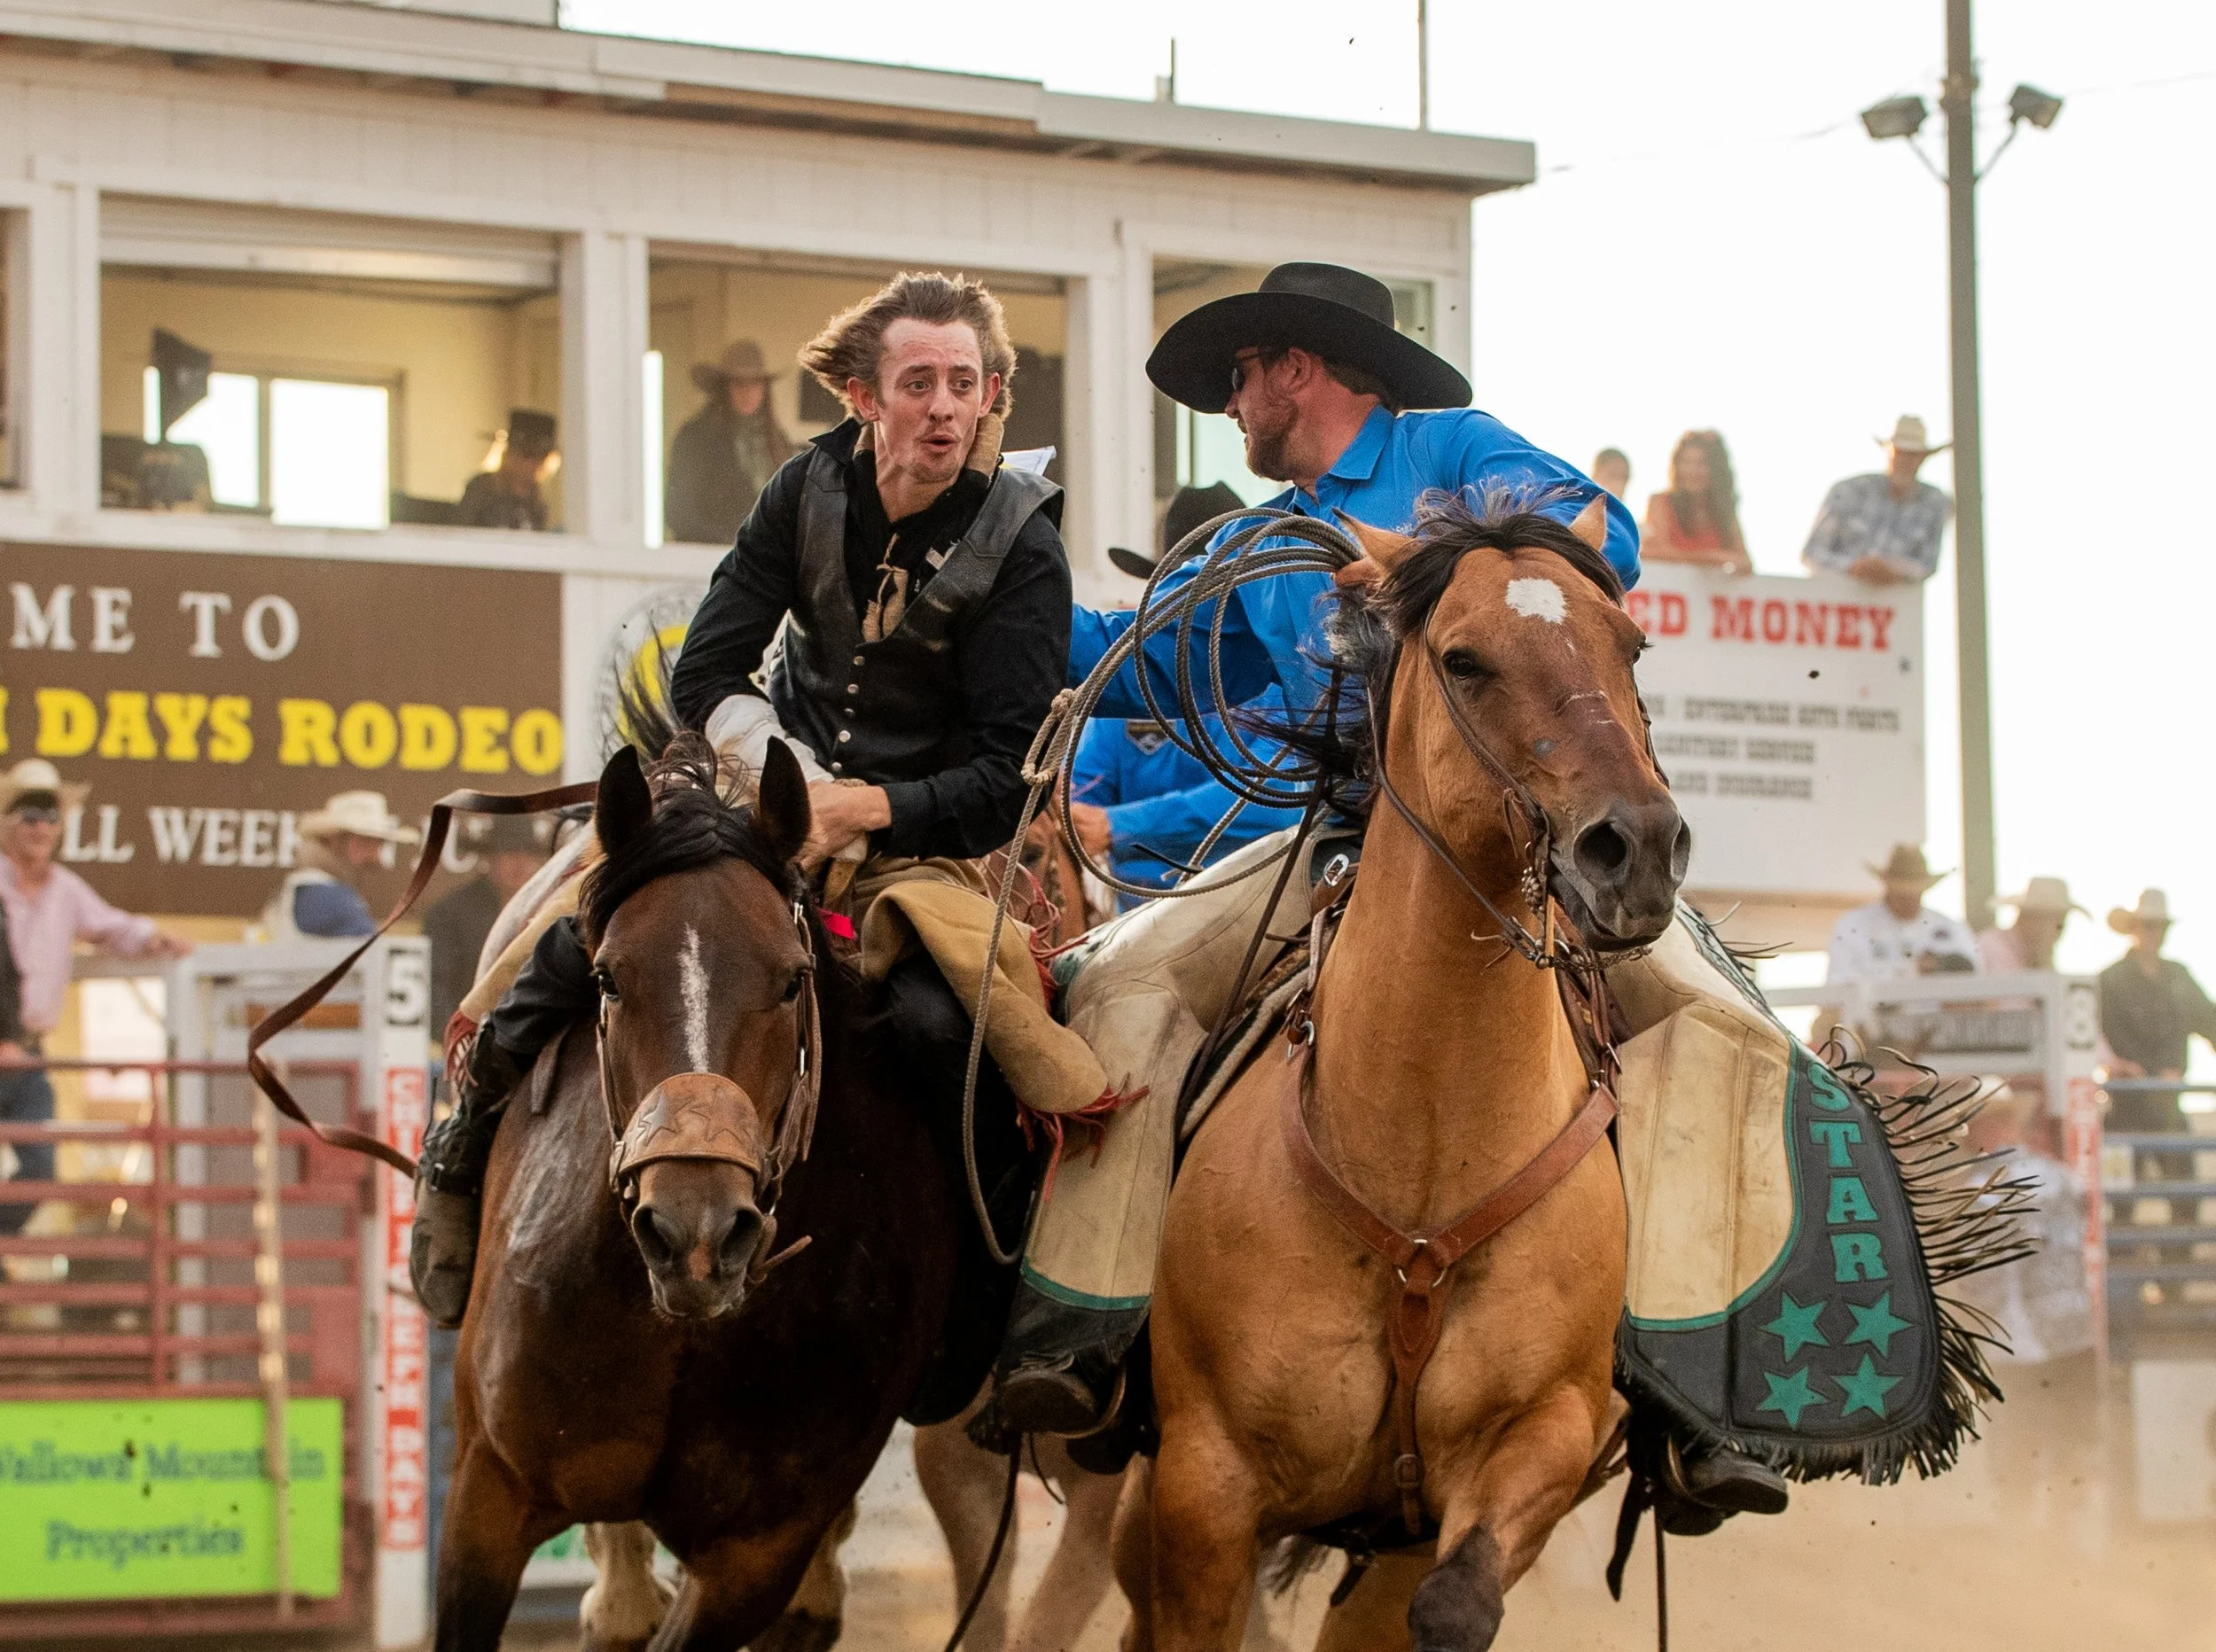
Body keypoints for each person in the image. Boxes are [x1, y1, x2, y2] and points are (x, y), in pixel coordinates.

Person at [1027, 261, 1640, 1440]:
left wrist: (1422, 566)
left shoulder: (1453, 451)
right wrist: (988, 591)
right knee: (1117, 985)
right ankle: (1083, 1328)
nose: (1231, 405)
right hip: (1331, 845)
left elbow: (1591, 543)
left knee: (1719, 1026)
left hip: (1539, 844)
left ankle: (1697, 1373)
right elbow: (1136, 657)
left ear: (1297, 372)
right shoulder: (1256, 545)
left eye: (1242, 379)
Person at [411, 272, 1074, 1349]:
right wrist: (786, 779)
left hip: (923, 841)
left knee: (946, 1030)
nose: (946, 406)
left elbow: (1004, 779)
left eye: (967, 383)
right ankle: (459, 1145)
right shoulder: (800, 490)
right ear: (865, 397)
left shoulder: (1025, 544)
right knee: (580, 937)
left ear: (993, 393)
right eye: (920, 382)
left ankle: (990, 1291)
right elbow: (709, 668)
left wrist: (861, 806)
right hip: (761, 784)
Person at [0, 760, 189, 1235]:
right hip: (12, 1046)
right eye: (28, 814)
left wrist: (152, 937)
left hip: (27, 1049)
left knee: (40, 1169)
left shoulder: (64, 889)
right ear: (6, 821)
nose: (41, 826)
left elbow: (111, 926)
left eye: (50, 816)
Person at [425, 814, 553, 1039]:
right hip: (471, 1033)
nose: (519, 863)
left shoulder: (549, 912)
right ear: (491, 858)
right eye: (509, 854)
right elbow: (436, 985)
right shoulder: (451, 913)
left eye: (527, 855)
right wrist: (455, 1037)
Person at [2097, 890, 2216, 1132]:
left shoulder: (2179, 976)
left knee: (2179, 1166)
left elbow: (2208, 1020)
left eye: (2161, 927)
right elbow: (2107, 1033)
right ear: (2134, 928)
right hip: (2126, 1103)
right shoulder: (2110, 980)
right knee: (2125, 1166)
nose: (2156, 933)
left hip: (2170, 1103)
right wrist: (2153, 1072)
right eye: (2149, 926)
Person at [665, 340, 799, 548]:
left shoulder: (778, 442)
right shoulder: (697, 438)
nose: (748, 392)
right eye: (739, 384)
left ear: (764, 389)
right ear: (724, 388)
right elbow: (678, 511)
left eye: (755, 383)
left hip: (764, 565)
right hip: (708, 561)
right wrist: (728, 542)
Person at [1801, 415, 1954, 585]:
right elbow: (1812, 553)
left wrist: (1894, 572)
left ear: (1923, 458)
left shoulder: (1935, 502)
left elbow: (1927, 564)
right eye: (1900, 452)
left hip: (1896, 608)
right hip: (1836, 604)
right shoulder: (1848, 490)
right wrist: (1854, 567)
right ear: (1889, 452)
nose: (1905, 461)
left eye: (1912, 454)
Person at [260, 791, 419, 942]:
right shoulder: (327, 896)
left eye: (379, 843)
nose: (376, 855)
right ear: (336, 841)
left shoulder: (304, 889)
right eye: (367, 842)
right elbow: (375, 955)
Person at [1639, 430, 1750, 573]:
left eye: (1702, 463)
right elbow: (1654, 552)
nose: (1693, 471)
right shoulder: (1661, 502)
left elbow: (1745, 562)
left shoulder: (1724, 513)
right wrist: (1714, 558)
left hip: (1707, 594)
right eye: (1687, 462)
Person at [457, 409, 558, 531]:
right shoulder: (482, 487)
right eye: (527, 454)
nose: (533, 463)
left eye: (541, 456)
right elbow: (460, 531)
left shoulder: (536, 501)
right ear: (509, 453)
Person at [1978, 877, 2084, 974]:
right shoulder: (1993, 947)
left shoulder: (2033, 957)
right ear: (2029, 918)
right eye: (2058, 926)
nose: (2057, 935)